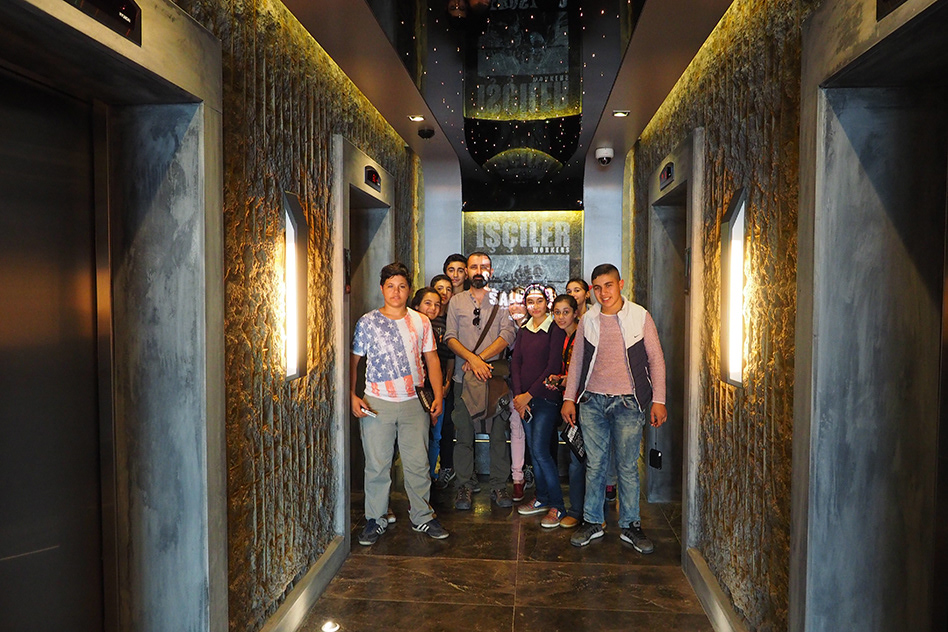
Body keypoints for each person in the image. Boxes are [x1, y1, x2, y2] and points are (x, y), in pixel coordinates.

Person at [561, 263, 667, 553]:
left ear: (620, 284)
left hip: (628, 403)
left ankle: (631, 525)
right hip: (592, 402)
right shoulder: (588, 319)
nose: (603, 293)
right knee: (595, 465)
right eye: (597, 288)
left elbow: (656, 359)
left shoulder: (639, 316)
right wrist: (569, 398)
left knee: (627, 466)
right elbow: (577, 362)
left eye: (608, 285)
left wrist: (659, 400)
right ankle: (593, 521)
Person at [351, 263, 448, 545]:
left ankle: (422, 516)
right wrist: (351, 395)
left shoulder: (421, 321)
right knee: (377, 465)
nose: (396, 292)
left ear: (409, 290)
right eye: (391, 286)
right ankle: (376, 518)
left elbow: (432, 359)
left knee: (418, 463)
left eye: (402, 286)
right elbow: (353, 362)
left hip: (414, 403)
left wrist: (438, 395)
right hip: (376, 402)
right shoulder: (367, 322)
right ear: (382, 289)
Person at [444, 252, 516, 510]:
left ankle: (498, 485)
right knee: (464, 434)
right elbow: (450, 337)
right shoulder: (456, 301)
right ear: (467, 271)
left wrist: (479, 360)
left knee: (498, 435)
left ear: (491, 271)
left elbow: (508, 334)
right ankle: (464, 485)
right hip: (463, 379)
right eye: (473, 266)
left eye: (483, 266)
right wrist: (471, 361)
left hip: (493, 377)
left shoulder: (502, 300)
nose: (478, 271)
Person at [513, 284, 567, 527]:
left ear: (547, 303)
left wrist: (528, 395)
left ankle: (558, 506)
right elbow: (516, 363)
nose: (534, 306)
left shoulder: (555, 329)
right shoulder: (524, 330)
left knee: (541, 451)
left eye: (539, 301)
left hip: (545, 399)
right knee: (534, 452)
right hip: (524, 402)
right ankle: (542, 498)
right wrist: (519, 397)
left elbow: (553, 366)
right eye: (530, 302)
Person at [545, 293, 582, 528]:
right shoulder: (566, 337)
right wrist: (560, 379)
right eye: (557, 313)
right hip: (571, 400)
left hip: (584, 403)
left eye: (566, 312)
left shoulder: (581, 335)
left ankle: (582, 512)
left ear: (575, 313)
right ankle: (581, 510)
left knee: (580, 459)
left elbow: (584, 372)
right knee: (576, 457)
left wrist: (565, 380)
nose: (561, 317)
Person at [410, 287, 449, 480]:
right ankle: (416, 481)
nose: (433, 308)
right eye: (428, 303)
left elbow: (445, 359)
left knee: (435, 436)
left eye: (437, 304)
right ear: (416, 305)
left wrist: (443, 387)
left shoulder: (442, 325)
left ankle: (429, 478)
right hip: (414, 391)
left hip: (436, 389)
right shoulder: (409, 327)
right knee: (416, 438)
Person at [429, 274, 457, 488]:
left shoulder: (451, 320)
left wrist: (446, 383)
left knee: (439, 431)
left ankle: (435, 473)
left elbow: (450, 356)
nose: (444, 293)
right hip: (422, 384)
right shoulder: (422, 320)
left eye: (448, 289)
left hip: (442, 384)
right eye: (440, 288)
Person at [505, 287, 528, 501]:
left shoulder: (538, 327)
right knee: (516, 426)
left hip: (533, 388)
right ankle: (517, 479)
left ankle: (527, 474)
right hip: (511, 387)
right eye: (511, 303)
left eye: (520, 302)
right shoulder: (505, 327)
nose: (515, 307)